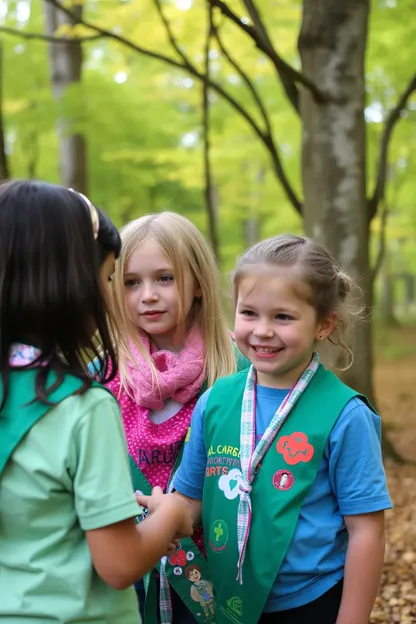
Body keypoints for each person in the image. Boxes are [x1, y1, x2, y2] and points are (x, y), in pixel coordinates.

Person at [143, 233, 393, 624]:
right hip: (225, 595)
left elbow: (366, 532)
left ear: (324, 325)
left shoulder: (346, 415)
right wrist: (165, 514)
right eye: (249, 313)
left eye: (283, 317)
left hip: (311, 601)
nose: (262, 330)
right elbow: (190, 500)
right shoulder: (215, 401)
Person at [0, 181, 193, 623]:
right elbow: (120, 563)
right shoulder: (81, 407)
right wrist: (171, 514)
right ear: (66, 283)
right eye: (109, 278)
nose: (113, 296)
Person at [104, 211, 249, 623]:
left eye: (165, 278)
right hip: (131, 570)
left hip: (218, 571)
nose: (147, 294)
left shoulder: (238, 368)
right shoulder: (105, 376)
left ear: (198, 282)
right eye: (131, 282)